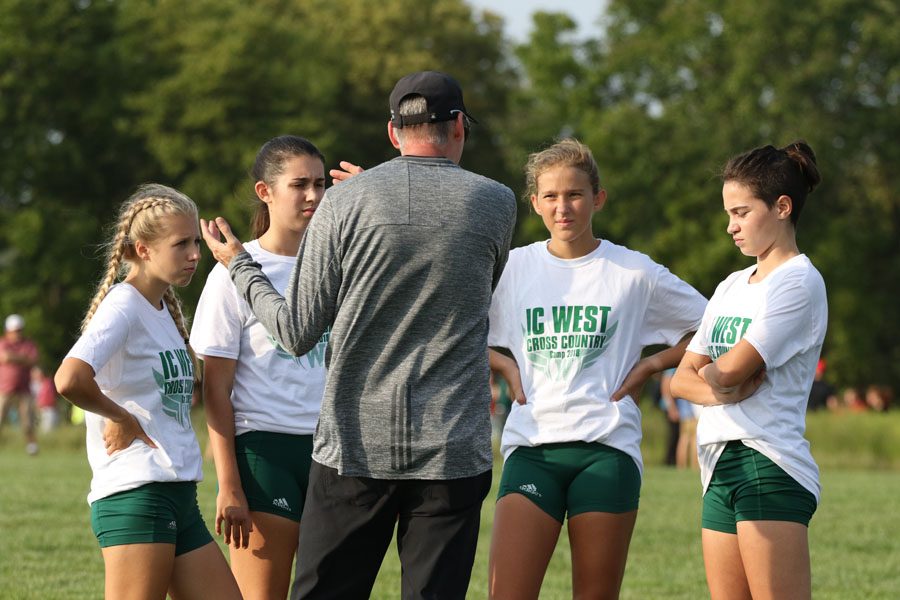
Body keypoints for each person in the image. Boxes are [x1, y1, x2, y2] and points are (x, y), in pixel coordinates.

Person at [201, 70, 518, 599]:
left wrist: (239, 263)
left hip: (355, 448)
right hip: (452, 450)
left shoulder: (344, 204)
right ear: (459, 126)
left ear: (393, 132)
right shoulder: (497, 201)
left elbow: (295, 332)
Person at [486, 139, 707, 599]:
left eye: (575, 195)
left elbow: (711, 325)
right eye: (550, 196)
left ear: (598, 198)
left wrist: (652, 364)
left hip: (606, 451)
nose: (563, 207)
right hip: (532, 448)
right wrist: (502, 363)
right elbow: (450, 326)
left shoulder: (633, 272)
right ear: (534, 203)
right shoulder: (512, 269)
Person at [54, 184, 241, 600]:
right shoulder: (124, 304)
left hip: (178, 493)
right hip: (137, 495)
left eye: (195, 241)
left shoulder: (161, 310)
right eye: (181, 244)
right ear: (142, 250)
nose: (195, 253)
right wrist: (120, 417)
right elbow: (69, 378)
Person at [670, 141, 825, 600]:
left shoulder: (798, 281)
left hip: (768, 462)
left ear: (782, 207)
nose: (729, 226)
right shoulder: (732, 284)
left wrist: (715, 378)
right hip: (719, 462)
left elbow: (730, 370)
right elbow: (681, 379)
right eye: (728, 213)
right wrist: (719, 387)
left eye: (740, 212)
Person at [189, 135, 328, 599]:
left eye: (321, 184)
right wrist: (229, 485)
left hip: (333, 453)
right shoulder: (232, 271)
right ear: (265, 191)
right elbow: (215, 391)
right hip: (264, 452)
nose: (313, 196)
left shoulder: (338, 265)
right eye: (300, 184)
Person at [0, 313, 40, 455]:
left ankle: (32, 447)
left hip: (24, 389)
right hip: (4, 389)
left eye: (19, 330)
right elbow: (4, 357)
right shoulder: (3, 343)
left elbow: (33, 360)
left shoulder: (28, 344)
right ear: (8, 331)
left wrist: (13, 358)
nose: (18, 333)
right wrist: (23, 358)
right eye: (15, 330)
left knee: (28, 422)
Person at [660, 368, 699, 469]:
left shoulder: (676, 367)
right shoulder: (676, 367)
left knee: (683, 437)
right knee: (692, 437)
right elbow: (665, 387)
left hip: (682, 408)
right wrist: (672, 408)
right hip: (687, 408)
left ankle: (681, 466)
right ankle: (693, 466)